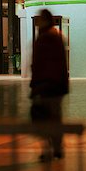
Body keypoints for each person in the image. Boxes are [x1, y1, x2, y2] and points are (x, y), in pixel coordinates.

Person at [30, 9, 69, 162]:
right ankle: (57, 149)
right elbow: (61, 63)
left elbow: (39, 64)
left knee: (43, 118)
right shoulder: (57, 36)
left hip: (45, 85)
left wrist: (35, 85)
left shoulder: (45, 38)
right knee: (55, 117)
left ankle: (47, 149)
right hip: (56, 85)